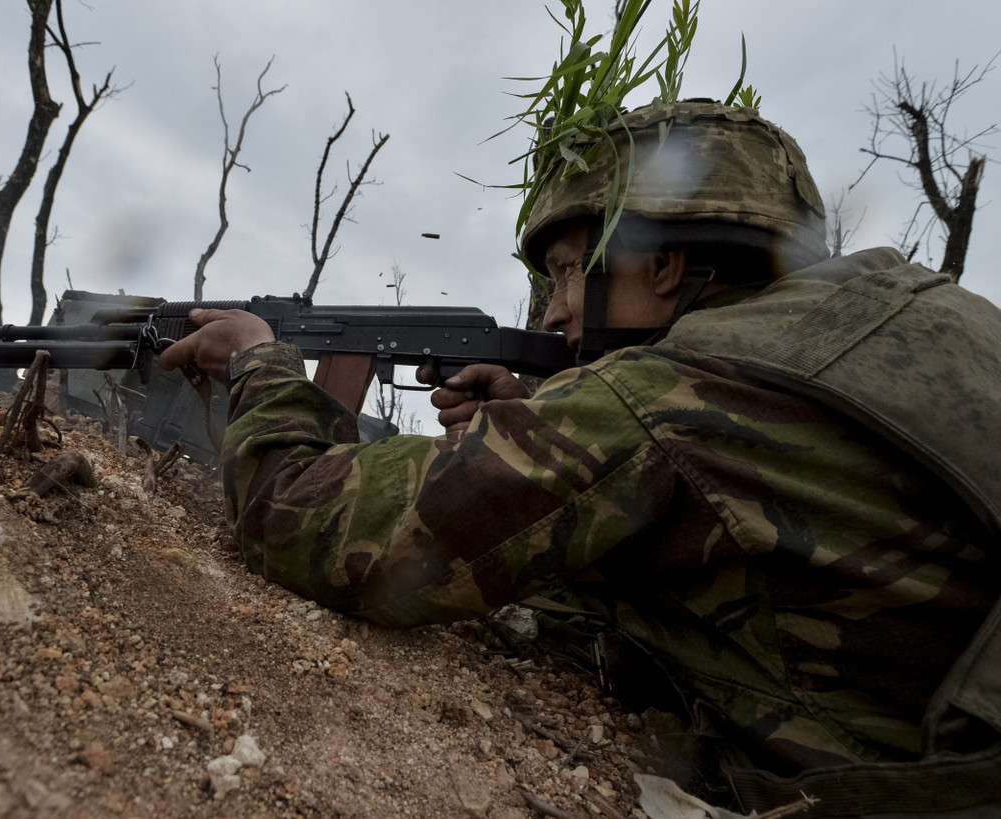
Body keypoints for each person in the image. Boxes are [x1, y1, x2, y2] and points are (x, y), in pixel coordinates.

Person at [159, 101, 1001, 817]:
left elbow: (309, 522)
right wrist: (535, 428)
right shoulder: (907, 322)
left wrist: (259, 362)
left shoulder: (669, 399)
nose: (557, 311)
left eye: (569, 272)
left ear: (665, 265)